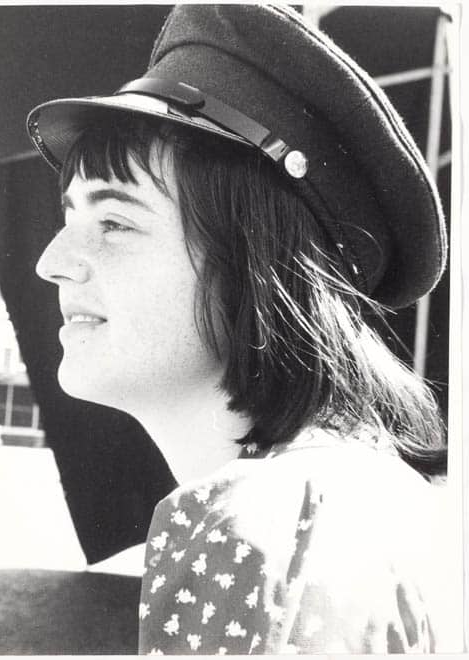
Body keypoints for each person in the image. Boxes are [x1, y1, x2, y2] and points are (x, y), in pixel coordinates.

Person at [27, 4, 450, 654]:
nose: (51, 262)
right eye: (69, 217)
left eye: (115, 222)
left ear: (257, 265)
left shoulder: (250, 526)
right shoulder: (370, 497)